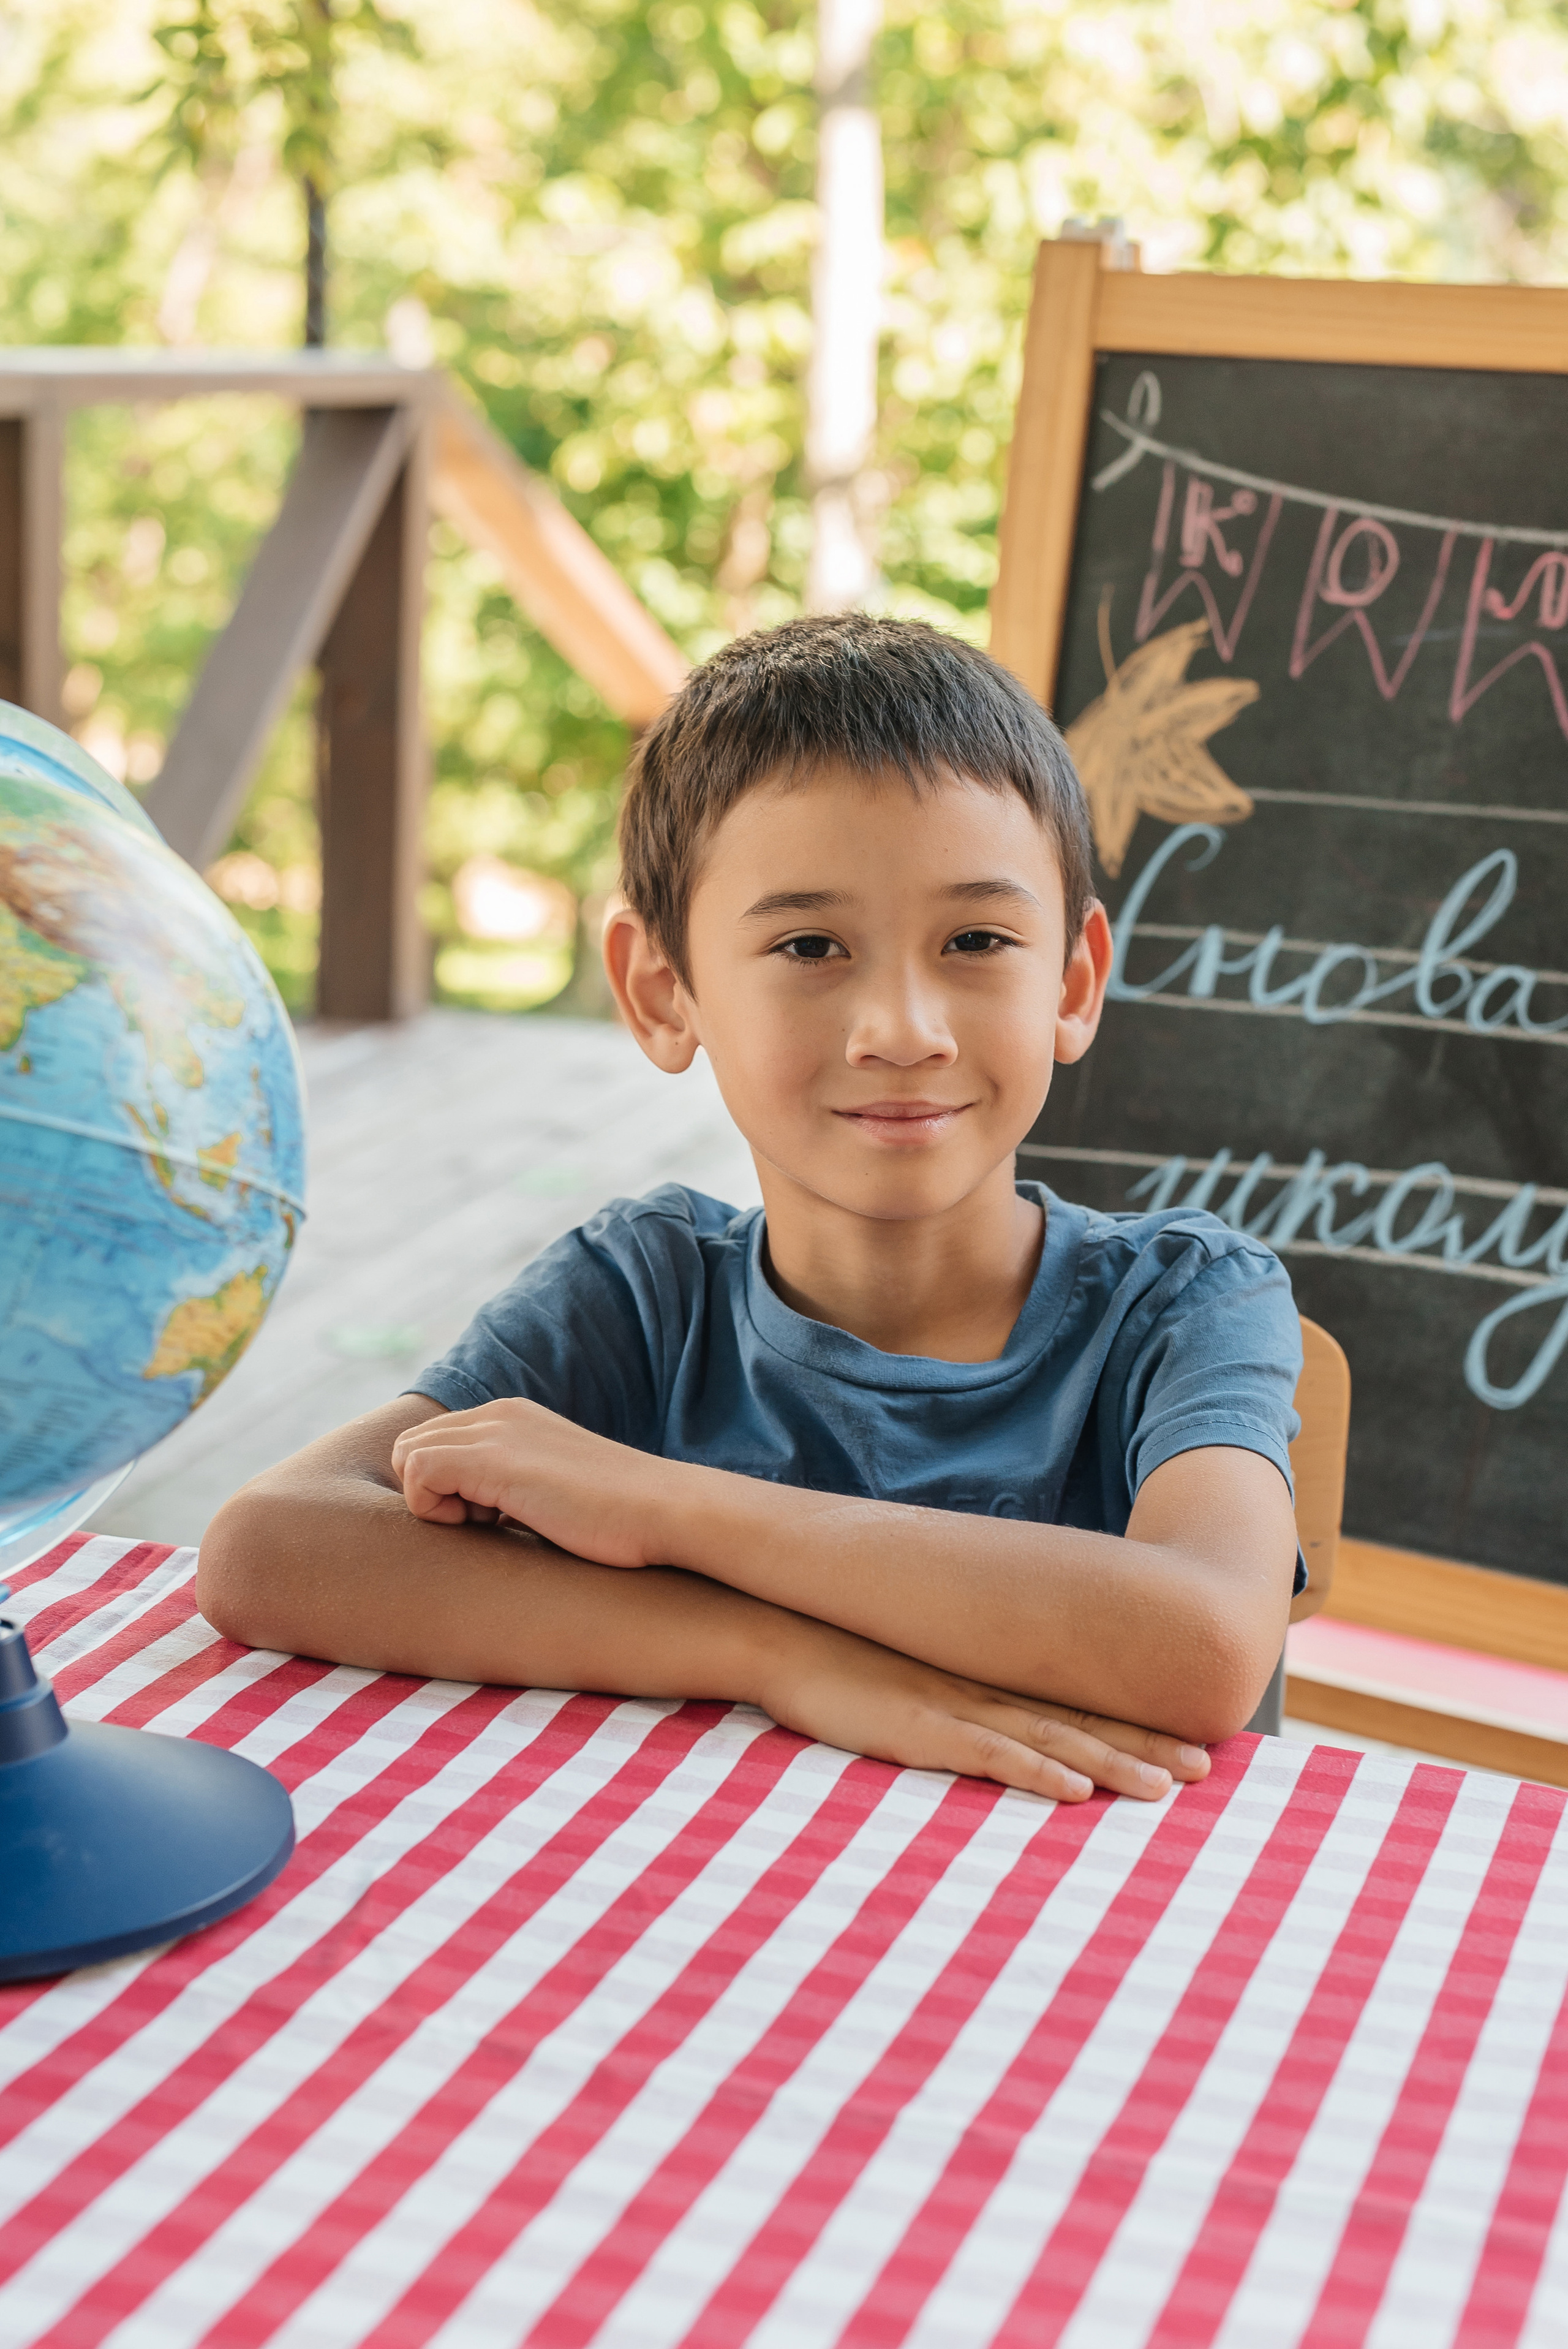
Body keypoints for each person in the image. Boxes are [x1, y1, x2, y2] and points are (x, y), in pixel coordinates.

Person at [200, 615, 1303, 1808]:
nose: (902, 1030)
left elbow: (1201, 1646)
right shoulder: (642, 1290)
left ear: (1072, 983)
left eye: (975, 939)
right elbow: (274, 1546)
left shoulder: (1186, 1298)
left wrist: (664, 1506)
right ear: (661, 991)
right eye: (811, 944)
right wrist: (775, 1654)